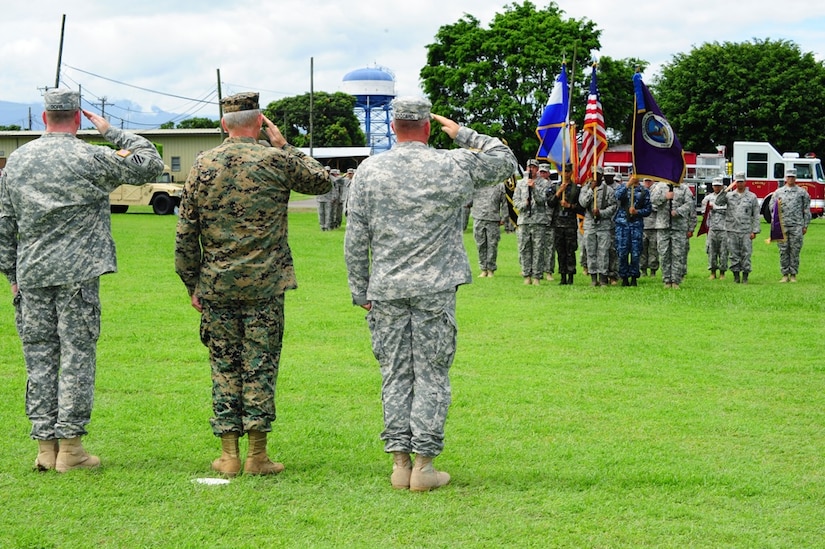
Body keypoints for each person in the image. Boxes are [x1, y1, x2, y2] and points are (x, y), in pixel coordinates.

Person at [344, 96, 517, 491]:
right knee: (432, 374)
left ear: (392, 127)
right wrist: (462, 133)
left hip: (386, 288)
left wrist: (360, 288)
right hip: (435, 288)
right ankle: (424, 466)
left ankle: (400, 463)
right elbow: (505, 160)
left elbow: (356, 238)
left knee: (395, 373)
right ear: (426, 127)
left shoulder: (369, 170)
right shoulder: (451, 162)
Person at [0, 89, 164, 472]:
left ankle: (45, 447)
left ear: (44, 118)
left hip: (32, 273)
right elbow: (149, 162)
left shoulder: (18, 161)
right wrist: (112, 132)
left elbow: (4, 225)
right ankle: (71, 449)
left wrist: (11, 275)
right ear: (78, 119)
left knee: (39, 357)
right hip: (78, 274)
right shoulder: (90, 155)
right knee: (76, 355)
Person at [175, 92, 331, 477]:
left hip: (217, 284)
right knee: (260, 365)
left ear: (225, 125)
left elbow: (185, 231)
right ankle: (257, 456)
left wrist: (191, 282)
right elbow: (322, 181)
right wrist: (284, 145)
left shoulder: (203, 164)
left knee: (224, 365)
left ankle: (228, 456)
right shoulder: (276, 160)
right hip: (266, 283)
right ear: (260, 123)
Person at [715, 172, 760, 284]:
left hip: (746, 230)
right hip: (732, 229)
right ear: (735, 183)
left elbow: (756, 215)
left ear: (745, 182)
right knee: (734, 254)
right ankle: (736, 276)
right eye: (738, 182)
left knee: (746, 253)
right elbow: (718, 202)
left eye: (741, 181)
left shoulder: (752, 197)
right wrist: (725, 190)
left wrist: (755, 230)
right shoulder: (729, 195)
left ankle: (745, 276)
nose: (740, 184)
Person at [650, 180, 694, 289]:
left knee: (677, 253)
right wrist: (665, 196)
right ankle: (666, 280)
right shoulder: (659, 186)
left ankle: (675, 280)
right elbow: (653, 200)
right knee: (664, 253)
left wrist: (678, 211)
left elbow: (689, 204)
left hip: (678, 226)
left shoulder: (684, 188)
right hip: (663, 225)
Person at [771, 168, 811, 282]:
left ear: (795, 178)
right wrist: (775, 223)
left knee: (795, 250)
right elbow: (772, 207)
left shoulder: (802, 192)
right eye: (788, 177)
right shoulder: (778, 192)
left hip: (796, 225)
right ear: (785, 178)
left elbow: (806, 209)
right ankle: (784, 274)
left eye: (792, 177)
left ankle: (793, 274)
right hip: (782, 226)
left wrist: (805, 225)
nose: (790, 179)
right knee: (783, 250)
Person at [513, 159, 550, 285]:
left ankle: (537, 276)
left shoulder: (544, 183)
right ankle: (526, 275)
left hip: (538, 221)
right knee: (524, 248)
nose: (531, 169)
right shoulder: (520, 183)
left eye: (533, 167)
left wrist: (534, 188)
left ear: (537, 169)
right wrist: (524, 204)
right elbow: (515, 201)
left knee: (538, 249)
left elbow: (542, 200)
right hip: (524, 220)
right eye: (529, 167)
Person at [579, 168, 617, 286]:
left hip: (604, 225)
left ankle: (603, 277)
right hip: (590, 224)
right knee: (590, 252)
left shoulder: (608, 190)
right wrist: (591, 189)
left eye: (598, 174)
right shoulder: (585, 189)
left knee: (603, 252)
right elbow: (583, 203)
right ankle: (593, 277)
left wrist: (601, 213)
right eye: (594, 174)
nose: (596, 177)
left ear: (602, 175)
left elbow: (613, 207)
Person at [614, 175, 653, 286]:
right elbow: (617, 196)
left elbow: (648, 209)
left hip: (636, 225)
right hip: (622, 225)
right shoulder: (622, 187)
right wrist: (627, 185)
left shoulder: (644, 191)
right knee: (622, 252)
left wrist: (637, 212)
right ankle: (624, 277)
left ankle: (634, 276)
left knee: (636, 253)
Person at [547, 166, 581, 285]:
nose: (565, 174)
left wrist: (569, 206)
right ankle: (562, 276)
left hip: (570, 225)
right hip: (558, 224)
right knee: (560, 251)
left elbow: (581, 208)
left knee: (570, 251)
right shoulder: (554, 187)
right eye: (563, 171)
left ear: (571, 172)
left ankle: (571, 276)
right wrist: (559, 192)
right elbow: (550, 203)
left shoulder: (576, 189)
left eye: (568, 171)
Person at [471, 178, 507, 277]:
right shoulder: (477, 184)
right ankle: (483, 269)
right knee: (480, 244)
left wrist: (504, 217)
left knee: (492, 244)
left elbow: (504, 203)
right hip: (478, 217)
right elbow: (469, 200)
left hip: (493, 219)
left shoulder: (499, 186)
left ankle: (491, 269)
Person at [701, 176, 728, 279]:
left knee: (723, 251)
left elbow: (728, 209)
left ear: (722, 186)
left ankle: (722, 272)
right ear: (712, 186)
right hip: (712, 228)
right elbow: (704, 212)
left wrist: (715, 207)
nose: (717, 188)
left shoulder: (726, 197)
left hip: (724, 228)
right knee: (711, 251)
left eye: (718, 186)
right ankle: (712, 272)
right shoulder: (708, 198)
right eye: (715, 186)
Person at [640, 178, 660, 277]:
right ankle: (643, 270)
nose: (647, 182)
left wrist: (647, 206)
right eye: (646, 180)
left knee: (653, 249)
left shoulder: (657, 191)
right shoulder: (640, 190)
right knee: (642, 249)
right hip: (642, 225)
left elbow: (658, 206)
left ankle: (653, 270)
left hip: (654, 225)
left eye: (649, 180)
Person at [316, 167, 337, 231]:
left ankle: (327, 226)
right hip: (320, 198)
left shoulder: (331, 179)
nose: (327, 172)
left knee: (328, 213)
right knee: (321, 213)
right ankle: (322, 226)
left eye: (328, 171)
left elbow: (333, 189)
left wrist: (333, 197)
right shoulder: (320, 178)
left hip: (328, 198)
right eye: (326, 170)